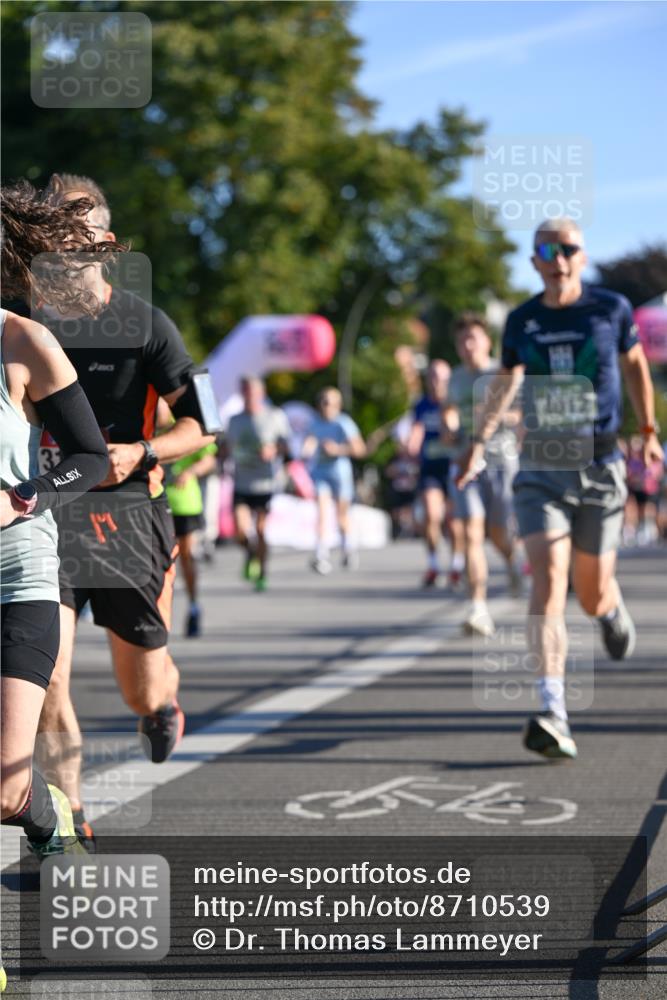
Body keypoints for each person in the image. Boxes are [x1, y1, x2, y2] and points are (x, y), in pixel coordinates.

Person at [30, 174, 212, 851]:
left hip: (129, 516)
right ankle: (69, 816)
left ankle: (162, 704)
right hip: (49, 518)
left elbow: (204, 424)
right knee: (47, 673)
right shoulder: (28, 325)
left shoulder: (146, 324)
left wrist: (142, 450)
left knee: (139, 687)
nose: (60, 258)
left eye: (75, 244)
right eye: (50, 243)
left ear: (105, 248)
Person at [456, 218, 663, 760]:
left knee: (591, 591)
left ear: (582, 255)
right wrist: (478, 441)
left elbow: (635, 365)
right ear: (534, 262)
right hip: (541, 466)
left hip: (600, 467)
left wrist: (648, 431)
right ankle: (553, 709)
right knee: (547, 581)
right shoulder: (522, 321)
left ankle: (610, 611)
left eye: (567, 248)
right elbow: (506, 382)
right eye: (547, 250)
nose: (558, 257)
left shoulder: (611, 309)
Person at [1, 180, 117, 883]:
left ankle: (45, 809)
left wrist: (25, 499)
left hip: (17, 574)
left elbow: (90, 456)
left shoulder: (22, 342)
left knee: (5, 788)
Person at [447, 313, 524, 636]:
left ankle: (512, 561)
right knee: (471, 534)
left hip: (501, 461)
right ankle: (477, 606)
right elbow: (449, 409)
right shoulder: (455, 377)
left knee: (498, 534)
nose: (467, 346)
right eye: (462, 340)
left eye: (473, 339)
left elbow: (523, 414)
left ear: (487, 342)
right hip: (466, 463)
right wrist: (449, 424)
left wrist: (493, 417)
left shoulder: (500, 372)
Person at [224, 376, 290, 591]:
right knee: (240, 531)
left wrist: (274, 450)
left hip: (266, 483)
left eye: (252, 391)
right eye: (245, 391)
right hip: (242, 482)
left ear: (261, 393)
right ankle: (251, 553)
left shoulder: (275, 416)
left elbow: (287, 446)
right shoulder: (234, 420)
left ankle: (262, 573)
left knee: (261, 530)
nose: (248, 396)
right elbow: (225, 447)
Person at [159, 398, 218, 636]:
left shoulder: (182, 427)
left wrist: (190, 471)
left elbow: (209, 458)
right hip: (153, 502)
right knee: (160, 561)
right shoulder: (143, 426)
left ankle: (193, 606)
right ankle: (160, 615)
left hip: (184, 503)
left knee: (184, 557)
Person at [407, 360, 465, 589]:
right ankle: (433, 565)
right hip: (430, 466)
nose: (436, 381)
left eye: (441, 377)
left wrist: (450, 430)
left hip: (453, 466)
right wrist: (411, 445)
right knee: (431, 515)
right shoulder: (421, 404)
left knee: (453, 521)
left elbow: (460, 433)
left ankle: (457, 566)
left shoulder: (455, 402)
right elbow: (417, 429)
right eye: (432, 376)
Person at [302, 387, 366, 574]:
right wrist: (306, 451)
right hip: (321, 472)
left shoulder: (344, 423)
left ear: (337, 405)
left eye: (328, 403)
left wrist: (337, 450)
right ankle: (321, 554)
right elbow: (310, 442)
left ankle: (348, 548)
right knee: (321, 511)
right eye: (322, 402)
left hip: (340, 473)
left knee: (341, 515)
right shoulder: (315, 423)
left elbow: (359, 449)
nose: (324, 406)